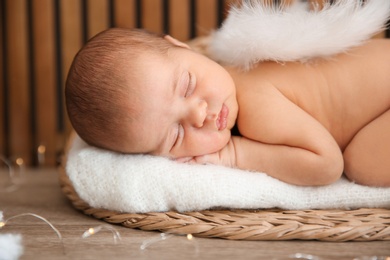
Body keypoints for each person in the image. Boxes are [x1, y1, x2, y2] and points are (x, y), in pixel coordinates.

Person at [65, 28, 390, 187]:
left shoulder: (255, 103)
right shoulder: (233, 79)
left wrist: (233, 155)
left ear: (181, 46)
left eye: (187, 86)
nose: (198, 114)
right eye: (176, 135)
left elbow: (326, 165)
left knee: (361, 165)